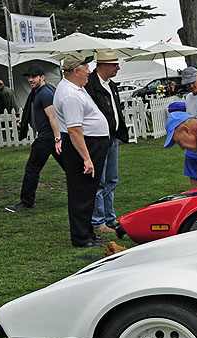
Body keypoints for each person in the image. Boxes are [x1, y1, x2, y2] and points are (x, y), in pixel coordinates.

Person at [53, 52, 110, 248]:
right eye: (86, 68)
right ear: (75, 71)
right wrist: (86, 158)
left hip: (92, 142)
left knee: (88, 190)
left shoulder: (75, 88)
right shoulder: (70, 95)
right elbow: (74, 129)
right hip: (85, 144)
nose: (89, 71)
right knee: (81, 191)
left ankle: (86, 232)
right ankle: (81, 237)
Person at [6, 65, 65, 212]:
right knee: (71, 167)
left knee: (32, 169)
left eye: (34, 77)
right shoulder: (37, 93)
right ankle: (88, 191)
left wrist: (57, 138)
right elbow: (38, 113)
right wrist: (25, 121)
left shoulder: (45, 94)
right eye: (29, 77)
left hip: (47, 137)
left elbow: (53, 117)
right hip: (48, 136)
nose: (30, 80)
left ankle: (26, 203)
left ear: (42, 77)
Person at [84, 49, 129, 235]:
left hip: (111, 138)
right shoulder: (90, 86)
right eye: (114, 65)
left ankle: (110, 218)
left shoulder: (111, 85)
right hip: (98, 139)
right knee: (100, 182)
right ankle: (98, 221)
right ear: (103, 66)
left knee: (111, 179)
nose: (117, 68)